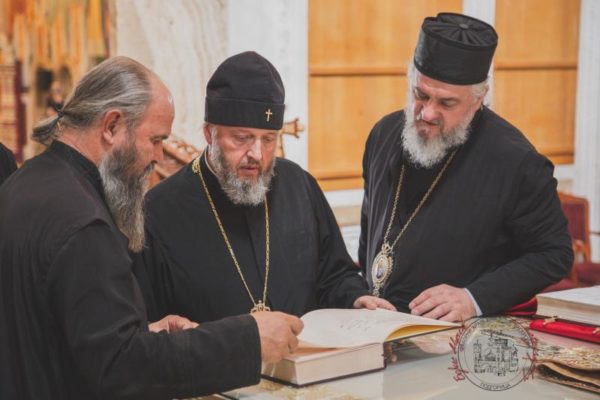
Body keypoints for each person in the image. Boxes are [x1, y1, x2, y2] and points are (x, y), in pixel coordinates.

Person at [0, 56, 303, 400]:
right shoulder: (85, 223)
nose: (159, 156)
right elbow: (122, 369)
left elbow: (65, 334)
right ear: (112, 125)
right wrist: (248, 340)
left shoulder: (26, 182)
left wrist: (144, 331)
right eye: (155, 140)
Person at [133, 51, 393, 324]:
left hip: (305, 350)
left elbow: (335, 275)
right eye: (242, 138)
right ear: (210, 133)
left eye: (268, 139)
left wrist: (354, 297)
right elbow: (150, 325)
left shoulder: (299, 186)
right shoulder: (159, 212)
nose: (256, 154)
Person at [359, 13, 573, 322]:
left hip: (456, 335)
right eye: (421, 95)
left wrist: (473, 298)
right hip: (374, 325)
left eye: (446, 103)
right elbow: (370, 227)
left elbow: (554, 254)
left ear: (479, 97)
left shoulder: (516, 160)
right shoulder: (384, 134)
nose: (427, 113)